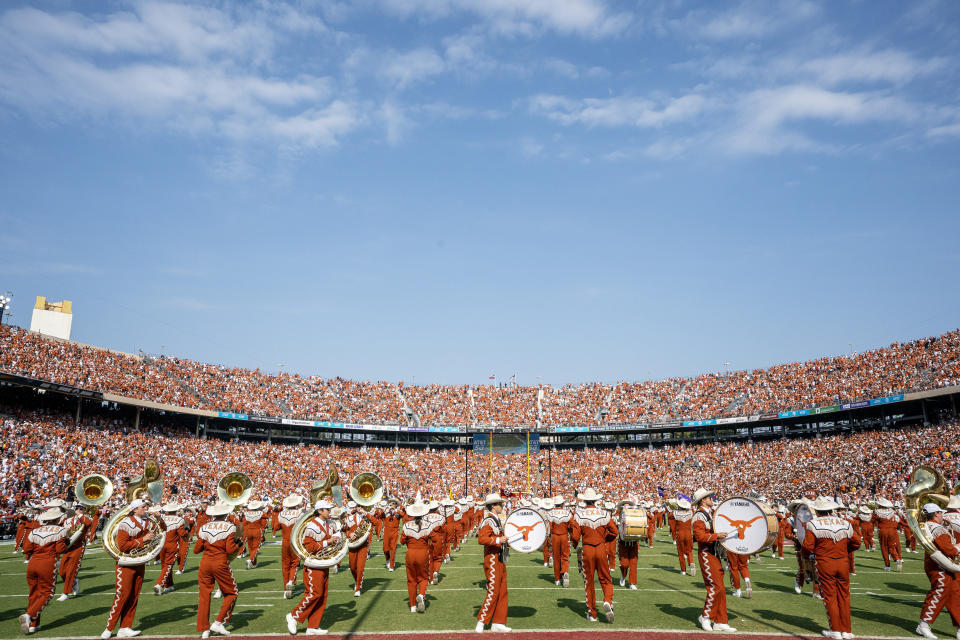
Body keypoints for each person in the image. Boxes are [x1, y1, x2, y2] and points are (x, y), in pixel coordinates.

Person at [802, 496, 860, 640]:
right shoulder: (844, 522)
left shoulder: (813, 523)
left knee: (830, 596)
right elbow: (857, 542)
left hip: (824, 563)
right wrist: (843, 552)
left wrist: (808, 556)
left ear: (817, 510)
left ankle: (835, 630)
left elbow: (807, 547)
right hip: (843, 562)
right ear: (831, 509)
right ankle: (846, 631)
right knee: (844, 596)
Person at [100, 499, 159, 639]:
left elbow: (162, 529)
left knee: (134, 595)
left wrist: (159, 518)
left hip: (140, 562)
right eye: (143, 507)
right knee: (122, 595)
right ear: (135, 509)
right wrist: (143, 540)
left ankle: (125, 627)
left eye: (145, 506)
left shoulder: (147, 521)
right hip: (126, 563)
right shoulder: (125, 523)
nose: (146, 508)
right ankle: (109, 628)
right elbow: (122, 546)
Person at [286, 499, 340, 636]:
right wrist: (328, 541)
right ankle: (293, 616)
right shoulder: (311, 526)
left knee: (322, 596)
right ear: (320, 511)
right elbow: (309, 547)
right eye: (327, 509)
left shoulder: (328, 524)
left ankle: (313, 626)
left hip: (323, 564)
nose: (330, 511)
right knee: (314, 594)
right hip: (313, 565)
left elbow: (331, 540)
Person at [691, 488, 737, 633]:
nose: (712, 498)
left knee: (721, 589)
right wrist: (717, 535)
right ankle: (705, 616)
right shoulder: (699, 515)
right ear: (703, 500)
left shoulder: (709, 513)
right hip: (706, 554)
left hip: (714, 553)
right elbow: (699, 536)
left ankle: (720, 620)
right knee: (715, 587)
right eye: (709, 497)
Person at [570, 487, 618, 622]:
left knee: (589, 582)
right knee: (606, 578)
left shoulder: (579, 514)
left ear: (585, 501)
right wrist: (604, 539)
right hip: (601, 548)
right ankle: (608, 600)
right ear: (596, 500)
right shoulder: (604, 513)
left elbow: (575, 536)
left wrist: (574, 545)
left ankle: (592, 613)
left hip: (587, 549)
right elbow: (614, 531)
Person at [194, 501, 241, 638]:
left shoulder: (204, 527)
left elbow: (197, 550)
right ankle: (218, 622)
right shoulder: (230, 527)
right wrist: (238, 544)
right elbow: (229, 549)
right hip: (220, 563)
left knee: (204, 597)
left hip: (205, 564)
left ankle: (204, 629)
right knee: (232, 593)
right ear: (226, 514)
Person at [19, 508, 68, 634]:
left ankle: (34, 625)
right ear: (56, 519)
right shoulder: (61, 530)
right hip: (47, 563)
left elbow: (27, 549)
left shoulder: (35, 531)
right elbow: (60, 549)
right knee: (47, 592)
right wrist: (67, 542)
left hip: (33, 563)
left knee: (34, 594)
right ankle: (28, 616)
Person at [916, 503, 960, 640]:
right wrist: (958, 548)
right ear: (935, 514)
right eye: (941, 513)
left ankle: (959, 626)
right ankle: (924, 624)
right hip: (940, 566)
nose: (943, 515)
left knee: (954, 595)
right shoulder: (936, 528)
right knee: (939, 592)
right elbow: (948, 549)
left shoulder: (927, 526)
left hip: (938, 564)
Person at [475, 493, 510, 633]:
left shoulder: (495, 519)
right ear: (493, 506)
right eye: (499, 504)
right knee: (493, 591)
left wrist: (504, 540)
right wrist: (498, 540)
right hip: (492, 558)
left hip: (499, 557)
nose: (502, 506)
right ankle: (482, 621)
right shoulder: (488, 520)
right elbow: (482, 539)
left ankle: (498, 622)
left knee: (502, 591)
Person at [399, 500, 435, 613]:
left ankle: (413, 606)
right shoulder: (428, 525)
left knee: (411, 580)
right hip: (423, 553)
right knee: (424, 577)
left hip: (410, 553)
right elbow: (433, 538)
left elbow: (402, 541)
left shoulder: (406, 525)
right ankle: (421, 594)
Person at [58, 504, 93, 600]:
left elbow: (88, 523)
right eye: (76, 508)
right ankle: (74, 582)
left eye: (80, 509)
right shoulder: (68, 520)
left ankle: (65, 593)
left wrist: (80, 515)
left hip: (78, 547)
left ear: (84, 510)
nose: (78, 510)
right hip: (68, 546)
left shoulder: (86, 518)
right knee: (62, 572)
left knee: (71, 571)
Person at [276, 495, 305, 599]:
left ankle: (285, 589)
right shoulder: (300, 513)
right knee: (295, 563)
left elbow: (275, 527)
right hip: (295, 541)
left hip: (284, 542)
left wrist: (276, 513)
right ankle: (291, 580)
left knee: (285, 565)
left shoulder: (281, 514)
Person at [154, 502, 184, 595]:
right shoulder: (179, 519)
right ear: (176, 510)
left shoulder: (162, 518)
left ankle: (169, 585)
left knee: (164, 565)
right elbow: (182, 534)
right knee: (168, 565)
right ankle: (159, 584)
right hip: (172, 544)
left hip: (161, 544)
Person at [343, 501, 372, 597]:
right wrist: (349, 534)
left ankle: (358, 587)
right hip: (352, 545)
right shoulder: (349, 518)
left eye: (361, 506)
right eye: (358, 506)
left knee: (360, 567)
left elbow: (376, 522)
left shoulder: (367, 517)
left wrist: (365, 513)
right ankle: (357, 580)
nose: (360, 508)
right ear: (355, 507)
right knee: (352, 567)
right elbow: (343, 531)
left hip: (363, 545)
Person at [547, 497, 573, 588]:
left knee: (556, 558)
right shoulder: (567, 513)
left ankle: (557, 579)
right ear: (562, 504)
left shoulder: (550, 513)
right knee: (565, 556)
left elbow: (549, 527)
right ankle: (565, 571)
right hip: (564, 535)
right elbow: (571, 525)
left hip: (555, 536)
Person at [617, 497, 640, 589]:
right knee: (624, 564)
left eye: (628, 506)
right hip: (623, 543)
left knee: (633, 563)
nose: (626, 507)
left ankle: (632, 583)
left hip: (633, 542)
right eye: (625, 506)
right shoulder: (618, 515)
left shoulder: (635, 515)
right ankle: (623, 575)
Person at [874, 498, 903, 572]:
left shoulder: (877, 512)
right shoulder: (892, 512)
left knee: (884, 548)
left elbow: (873, 520)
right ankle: (897, 559)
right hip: (892, 531)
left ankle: (887, 566)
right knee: (891, 547)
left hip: (883, 530)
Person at [243, 500, 267, 570]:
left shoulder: (246, 513)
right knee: (256, 548)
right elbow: (266, 517)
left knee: (250, 548)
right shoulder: (261, 513)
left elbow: (244, 523)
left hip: (249, 531)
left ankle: (254, 564)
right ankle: (250, 560)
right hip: (257, 530)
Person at [673, 498, 695, 576]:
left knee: (680, 553)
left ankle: (683, 570)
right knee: (689, 550)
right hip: (689, 533)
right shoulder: (690, 512)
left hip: (680, 534)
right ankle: (691, 562)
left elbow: (673, 509)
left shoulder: (676, 513)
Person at [382, 497, 402, 572]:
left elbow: (403, 515)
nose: (392, 505)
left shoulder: (398, 511)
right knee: (385, 549)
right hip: (387, 530)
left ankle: (391, 565)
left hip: (395, 530)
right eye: (391, 503)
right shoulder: (386, 510)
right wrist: (385, 508)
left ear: (396, 505)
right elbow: (380, 515)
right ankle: (388, 560)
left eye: (394, 504)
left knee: (393, 548)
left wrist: (396, 511)